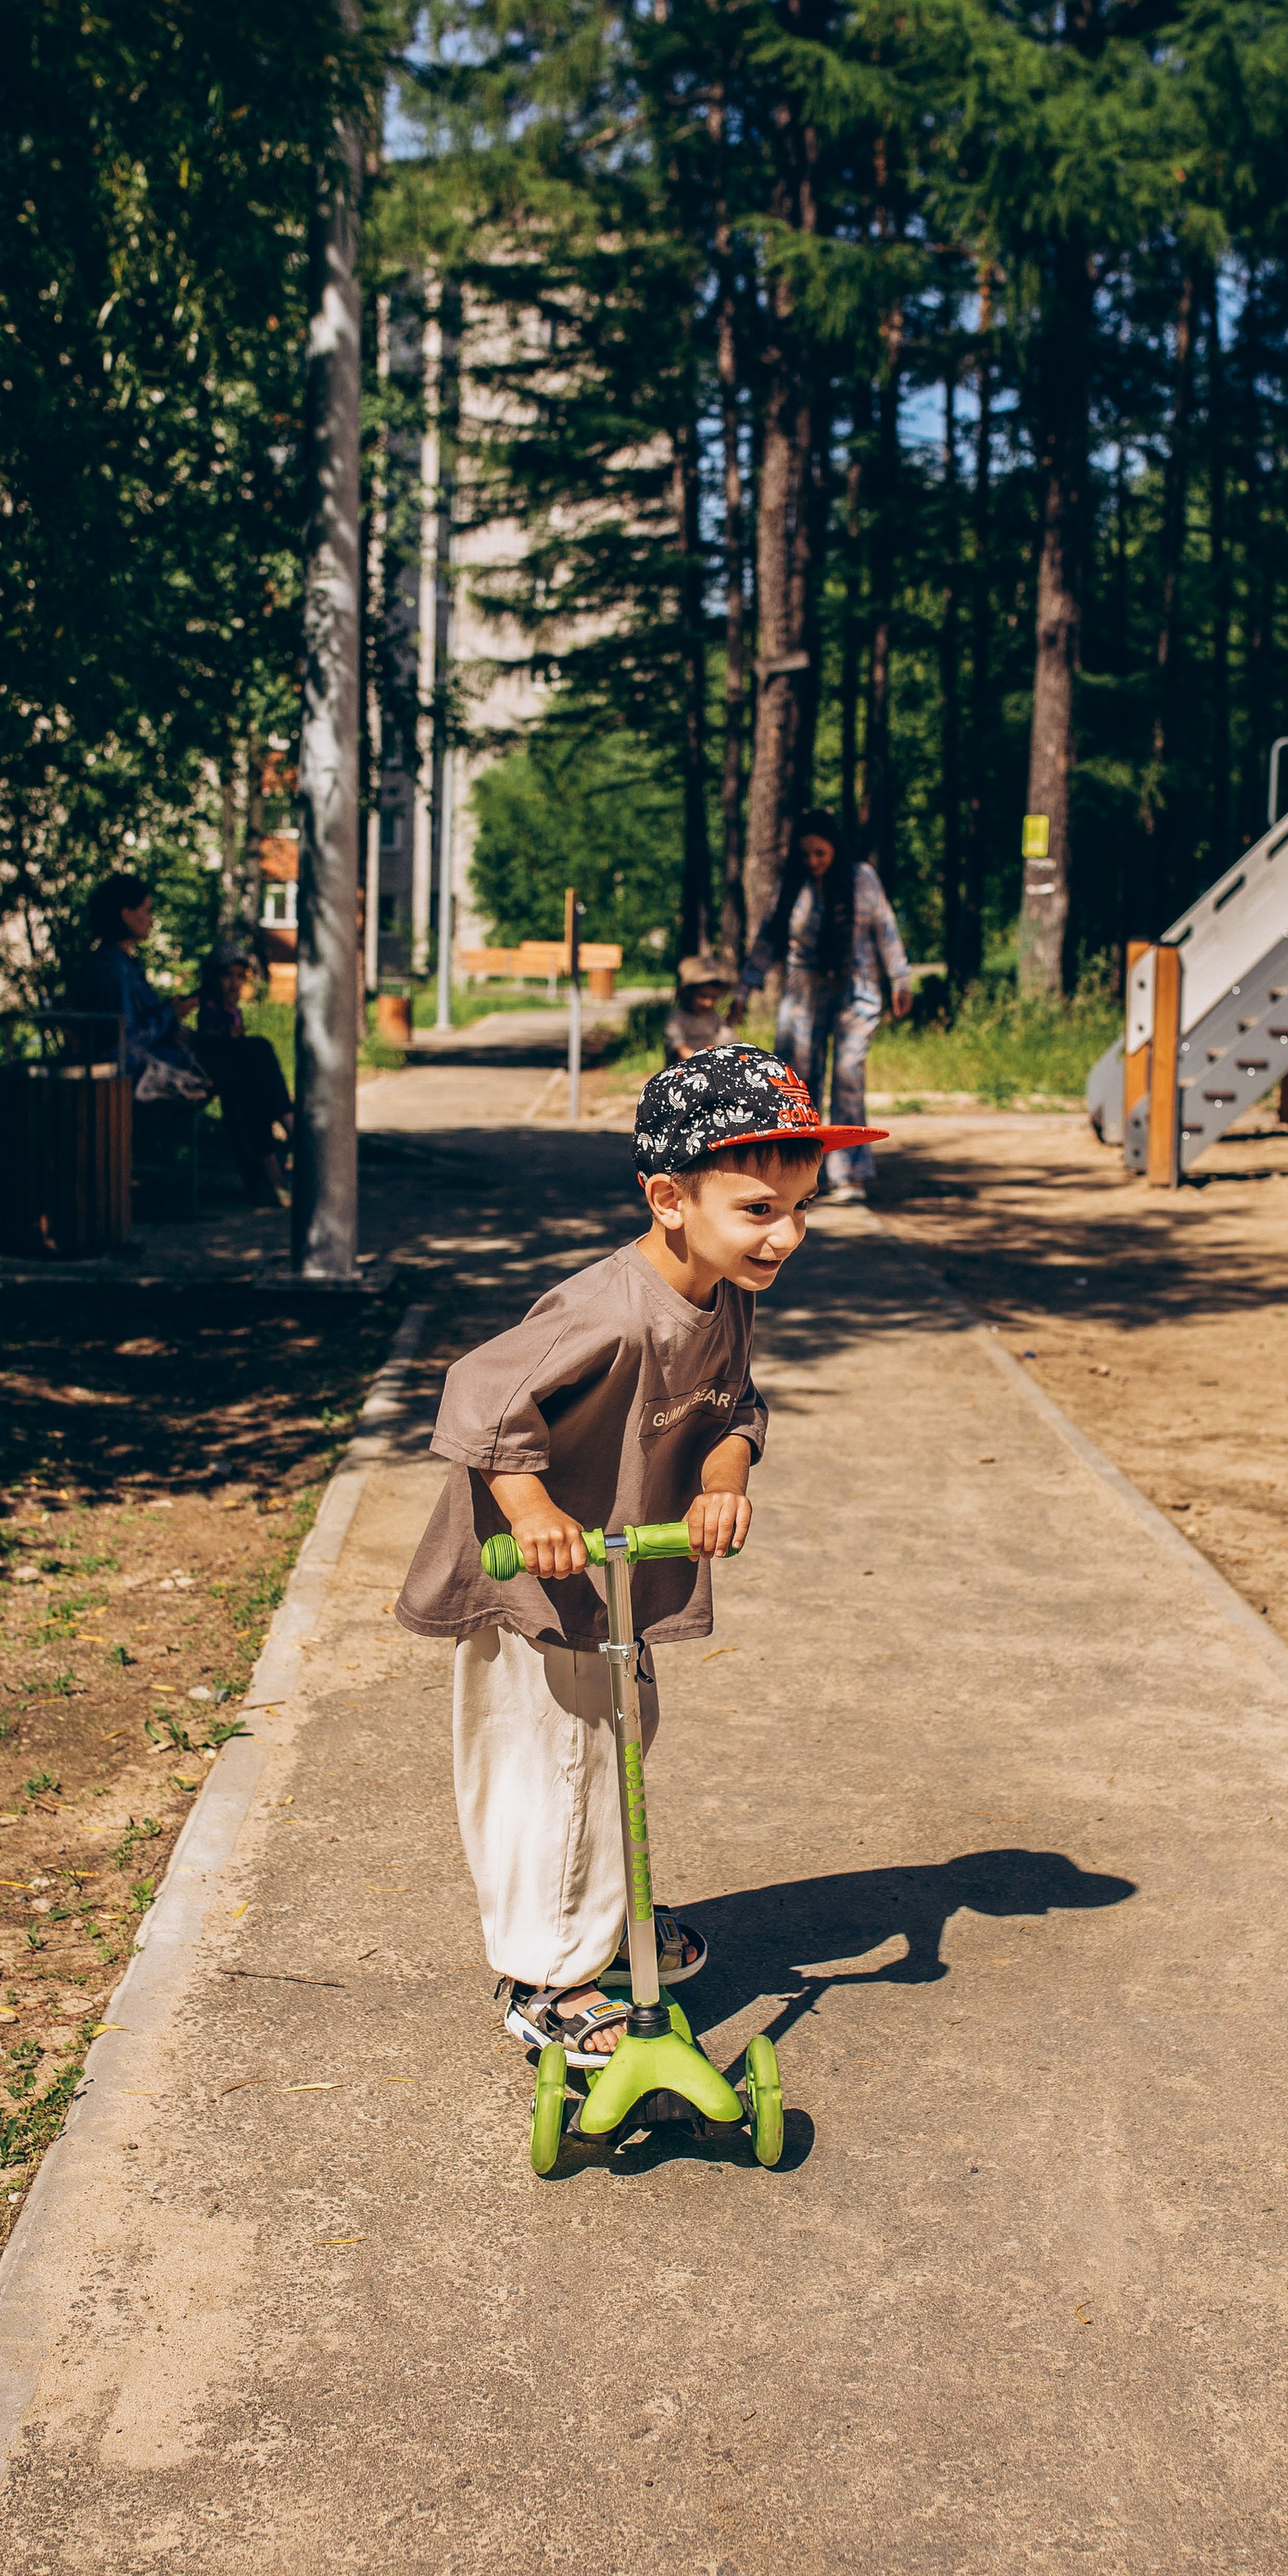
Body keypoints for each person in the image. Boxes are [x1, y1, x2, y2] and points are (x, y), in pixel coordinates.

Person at [395, 1042, 888, 2061]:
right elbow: (480, 1397)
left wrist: (723, 1479)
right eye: (760, 1209)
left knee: (620, 1741)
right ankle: (549, 1978)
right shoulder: (607, 1310)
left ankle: (605, 1923)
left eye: (802, 1207)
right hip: (537, 1591)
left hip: (614, 1576)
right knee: (556, 1769)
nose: (787, 1234)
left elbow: (733, 1409)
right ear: (670, 1199)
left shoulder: (725, 1290)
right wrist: (530, 1511)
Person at [732, 806, 911, 1199]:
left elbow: (886, 928)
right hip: (803, 991)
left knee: (848, 1075)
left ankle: (849, 1173)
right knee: (797, 1082)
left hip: (856, 989)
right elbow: (768, 937)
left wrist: (900, 977)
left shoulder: (862, 878)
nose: (813, 862)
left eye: (820, 853)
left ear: (835, 848)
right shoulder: (792, 884)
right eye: (805, 854)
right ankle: (798, 1175)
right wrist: (746, 987)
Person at [71, 873, 208, 1104]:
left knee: (244, 1054)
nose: (151, 919)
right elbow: (126, 1039)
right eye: (146, 911)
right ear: (126, 915)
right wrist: (170, 1014)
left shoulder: (124, 963)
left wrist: (171, 1009)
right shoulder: (113, 968)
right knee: (239, 1060)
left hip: (143, 1062)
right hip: (128, 1073)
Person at [195, 949, 293, 1205]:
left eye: (240, 977)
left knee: (254, 1101)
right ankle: (292, 1130)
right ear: (214, 977)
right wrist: (224, 1035)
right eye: (227, 975)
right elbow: (202, 1038)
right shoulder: (205, 1004)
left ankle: (275, 1182)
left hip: (236, 1074)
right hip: (213, 1070)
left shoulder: (232, 1009)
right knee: (258, 1048)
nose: (234, 983)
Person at [663, 950, 733, 1063]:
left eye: (713, 998)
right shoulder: (678, 1017)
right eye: (702, 996)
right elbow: (680, 1048)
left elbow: (728, 1039)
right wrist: (703, 1061)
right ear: (688, 994)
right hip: (683, 1069)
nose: (708, 1003)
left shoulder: (714, 1018)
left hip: (710, 1067)